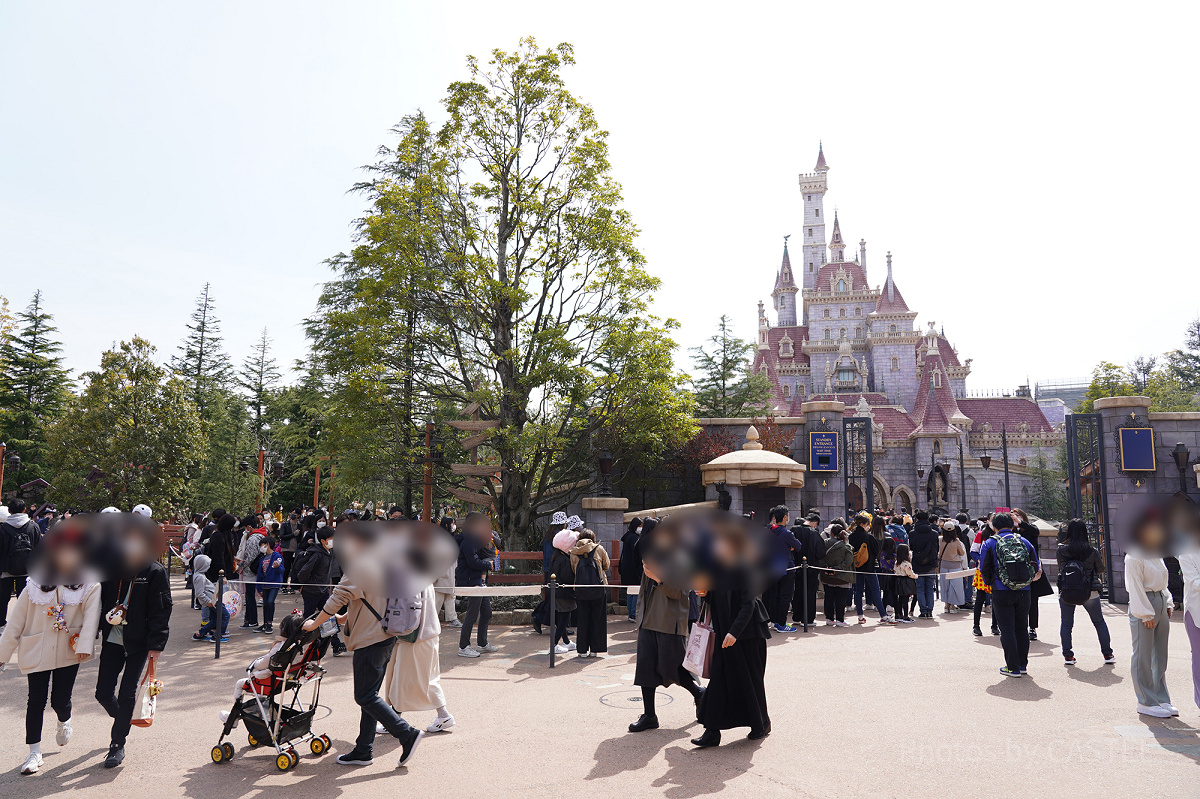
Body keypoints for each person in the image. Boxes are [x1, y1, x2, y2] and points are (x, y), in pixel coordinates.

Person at [300, 526, 424, 768]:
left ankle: (406, 734)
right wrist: (345, 618)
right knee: (371, 696)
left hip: (370, 639)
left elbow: (339, 596)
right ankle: (363, 750)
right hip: (387, 634)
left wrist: (315, 623)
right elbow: (372, 598)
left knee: (365, 696)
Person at [0, 523, 102, 775]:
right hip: (37, 649)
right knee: (35, 701)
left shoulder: (89, 584)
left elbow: (91, 618)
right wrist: (1, 657)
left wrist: (86, 646)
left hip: (70, 651)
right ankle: (34, 752)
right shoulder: (34, 583)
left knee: (60, 700)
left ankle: (64, 719)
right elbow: (15, 623)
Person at [95, 513, 172, 768]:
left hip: (139, 642)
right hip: (113, 639)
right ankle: (123, 719)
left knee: (128, 693)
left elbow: (161, 611)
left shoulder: (154, 571)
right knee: (103, 693)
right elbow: (98, 602)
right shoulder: (111, 568)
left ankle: (117, 744)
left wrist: (156, 646)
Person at [692, 525, 771, 748]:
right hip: (725, 633)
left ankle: (761, 723)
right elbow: (716, 599)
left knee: (750, 681)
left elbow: (749, 604)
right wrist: (705, 594)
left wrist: (734, 632)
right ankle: (712, 731)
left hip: (747, 634)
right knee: (719, 679)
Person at [629, 523, 703, 733]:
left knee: (673, 667)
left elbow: (681, 592)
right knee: (645, 668)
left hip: (669, 621)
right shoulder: (652, 555)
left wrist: (659, 578)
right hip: (648, 620)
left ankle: (699, 693)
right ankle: (650, 715)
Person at [383, 581, 455, 733]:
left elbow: (410, 605)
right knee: (415, 679)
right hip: (425, 633)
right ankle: (442, 716)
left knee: (404, 679)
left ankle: (394, 721)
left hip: (415, 636)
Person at [1124, 511, 1175, 717]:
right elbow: (1134, 586)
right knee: (1143, 655)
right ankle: (1145, 700)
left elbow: (1163, 580)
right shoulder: (1134, 554)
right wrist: (1145, 613)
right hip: (1144, 603)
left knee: (1159, 654)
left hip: (1160, 600)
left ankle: (1160, 697)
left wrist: (1168, 601)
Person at [978, 512, 1040, 678]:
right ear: (1012, 525)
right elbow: (1035, 563)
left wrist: (991, 583)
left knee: (1006, 629)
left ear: (994, 526)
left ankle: (1012, 667)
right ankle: (1022, 665)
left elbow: (984, 567)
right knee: (1022, 628)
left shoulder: (990, 542)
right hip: (1024, 590)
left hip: (1001, 590)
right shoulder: (1024, 541)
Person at [1056, 519, 1113, 667]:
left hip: (1068, 591)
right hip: (1090, 591)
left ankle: (1068, 656)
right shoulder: (1091, 550)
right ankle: (1108, 654)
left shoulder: (1061, 549)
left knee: (1066, 624)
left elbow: (1061, 568)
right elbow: (1101, 570)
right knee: (1099, 622)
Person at [293, 526, 345, 655]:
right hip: (311, 593)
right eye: (331, 539)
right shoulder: (317, 554)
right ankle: (296, 643)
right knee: (308, 621)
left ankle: (336, 645)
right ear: (323, 541)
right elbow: (303, 573)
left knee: (330, 617)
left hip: (323, 592)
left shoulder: (328, 552)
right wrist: (307, 585)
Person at [455, 513, 498, 658]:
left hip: (478, 581)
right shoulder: (469, 540)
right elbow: (473, 562)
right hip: (472, 582)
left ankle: (482, 643)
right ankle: (463, 646)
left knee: (486, 612)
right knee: (472, 615)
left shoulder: (474, 539)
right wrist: (489, 564)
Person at [1, 499, 44, 632]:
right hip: (28, 571)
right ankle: (26, 626)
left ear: (9, 511)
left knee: (2, 599)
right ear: (25, 510)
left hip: (5, 571)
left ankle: (2, 625)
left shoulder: (2, 528)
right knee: (26, 599)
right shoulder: (33, 526)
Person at [1013, 509, 1053, 639]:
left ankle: (1032, 628)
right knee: (1017, 599)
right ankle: (1019, 626)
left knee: (1032, 600)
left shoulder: (1030, 529)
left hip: (1031, 569)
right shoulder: (1011, 531)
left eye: (1018, 515)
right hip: (1016, 569)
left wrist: (1020, 522)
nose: (1016, 518)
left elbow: (1036, 532)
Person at [570, 529, 610, 658]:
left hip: (581, 589)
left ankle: (582, 650)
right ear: (593, 537)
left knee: (582, 618)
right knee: (597, 618)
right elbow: (606, 565)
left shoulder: (574, 551)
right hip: (598, 588)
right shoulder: (599, 549)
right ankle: (595, 649)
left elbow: (573, 569)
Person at [764, 506, 802, 633]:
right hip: (786, 567)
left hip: (772, 567)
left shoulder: (768, 532)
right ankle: (781, 623)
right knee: (785, 596)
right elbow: (798, 546)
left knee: (774, 595)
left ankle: (775, 621)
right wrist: (788, 547)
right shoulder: (786, 533)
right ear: (785, 517)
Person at [789, 512, 826, 628]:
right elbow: (821, 553)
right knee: (810, 593)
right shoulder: (814, 533)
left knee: (798, 591)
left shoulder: (794, 530)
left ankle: (797, 616)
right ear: (815, 523)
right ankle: (809, 618)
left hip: (795, 566)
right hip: (811, 567)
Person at [849, 512, 886, 625]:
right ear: (864, 524)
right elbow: (876, 551)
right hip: (869, 567)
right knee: (875, 590)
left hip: (857, 566)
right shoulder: (869, 537)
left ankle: (860, 615)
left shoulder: (851, 536)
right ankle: (883, 615)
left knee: (858, 591)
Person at [549, 528, 579, 654]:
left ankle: (566, 642)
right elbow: (568, 578)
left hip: (557, 593)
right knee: (563, 620)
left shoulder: (556, 557)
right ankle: (554, 644)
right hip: (564, 593)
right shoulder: (565, 560)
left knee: (562, 618)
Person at [235, 515, 267, 630]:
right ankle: (249, 619)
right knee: (249, 596)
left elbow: (250, 556)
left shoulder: (254, 538)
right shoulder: (260, 534)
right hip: (253, 570)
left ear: (249, 526)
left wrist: (241, 566)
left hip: (251, 571)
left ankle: (252, 620)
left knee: (249, 596)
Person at [819, 526, 854, 627]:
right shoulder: (846, 546)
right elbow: (848, 561)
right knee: (841, 599)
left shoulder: (824, 543)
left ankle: (829, 618)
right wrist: (836, 569)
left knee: (828, 597)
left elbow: (819, 557)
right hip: (842, 577)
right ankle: (840, 619)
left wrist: (827, 567)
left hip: (826, 575)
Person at [190, 553, 230, 642]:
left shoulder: (200, 575)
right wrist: (208, 602)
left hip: (213, 600)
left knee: (215, 619)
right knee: (225, 616)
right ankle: (218, 635)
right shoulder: (200, 577)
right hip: (212, 601)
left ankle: (201, 633)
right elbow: (199, 593)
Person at [908, 510, 939, 619]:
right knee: (930, 588)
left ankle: (923, 611)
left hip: (917, 563)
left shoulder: (912, 533)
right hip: (931, 563)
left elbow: (910, 548)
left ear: (916, 519)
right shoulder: (934, 533)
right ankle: (929, 611)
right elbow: (936, 549)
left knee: (920, 588)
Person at [255, 536, 284, 634]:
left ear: (267, 544)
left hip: (274, 584)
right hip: (264, 584)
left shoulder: (277, 556)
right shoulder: (262, 558)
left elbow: (282, 570)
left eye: (262, 545)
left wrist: (277, 567)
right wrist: (258, 587)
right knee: (266, 603)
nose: (261, 547)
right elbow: (259, 573)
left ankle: (269, 623)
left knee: (271, 602)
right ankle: (265, 623)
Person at [435, 517, 460, 628]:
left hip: (451, 572)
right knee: (438, 598)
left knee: (450, 596)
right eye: (452, 523)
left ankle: (452, 618)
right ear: (446, 525)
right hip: (441, 573)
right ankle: (432, 620)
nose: (454, 525)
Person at [938, 522, 967, 614]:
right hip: (955, 565)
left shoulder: (940, 539)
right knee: (954, 586)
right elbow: (962, 553)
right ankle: (952, 605)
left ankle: (946, 605)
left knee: (944, 585)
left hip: (943, 564)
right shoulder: (956, 541)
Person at [619, 517, 644, 623]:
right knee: (635, 590)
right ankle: (633, 614)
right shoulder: (634, 538)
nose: (641, 528)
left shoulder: (628, 536)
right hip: (633, 568)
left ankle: (630, 613)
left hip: (626, 567)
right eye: (640, 526)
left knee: (630, 591)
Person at [893, 544, 917, 623]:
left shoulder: (897, 562)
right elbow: (910, 574)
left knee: (900, 599)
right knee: (905, 599)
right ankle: (906, 616)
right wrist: (916, 576)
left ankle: (899, 614)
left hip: (898, 581)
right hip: (905, 582)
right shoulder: (907, 563)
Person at [877, 536, 898, 624]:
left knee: (885, 595)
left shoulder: (881, 554)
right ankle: (897, 613)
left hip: (884, 575)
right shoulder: (895, 556)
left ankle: (883, 614)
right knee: (894, 595)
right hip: (893, 575)